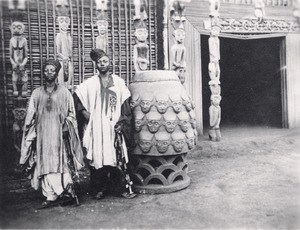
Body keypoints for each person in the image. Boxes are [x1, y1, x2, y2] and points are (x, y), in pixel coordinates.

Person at [19, 59, 84, 207]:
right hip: (42, 136)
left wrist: (67, 125)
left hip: (60, 136)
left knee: (61, 163)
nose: (49, 73)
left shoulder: (64, 93)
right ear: (43, 73)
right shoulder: (36, 93)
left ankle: (67, 192)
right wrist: (31, 133)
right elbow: (30, 116)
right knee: (45, 163)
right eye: (46, 70)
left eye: (52, 70)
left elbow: (72, 114)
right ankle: (50, 196)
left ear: (57, 73)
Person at [73, 48, 136, 200]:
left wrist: (122, 122)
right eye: (99, 62)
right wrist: (85, 114)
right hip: (97, 127)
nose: (102, 64)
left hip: (114, 126)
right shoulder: (91, 83)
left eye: (105, 61)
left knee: (116, 156)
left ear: (110, 63)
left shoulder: (118, 82)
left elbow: (125, 105)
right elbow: (77, 97)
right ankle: (99, 189)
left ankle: (119, 188)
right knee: (98, 156)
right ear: (96, 64)